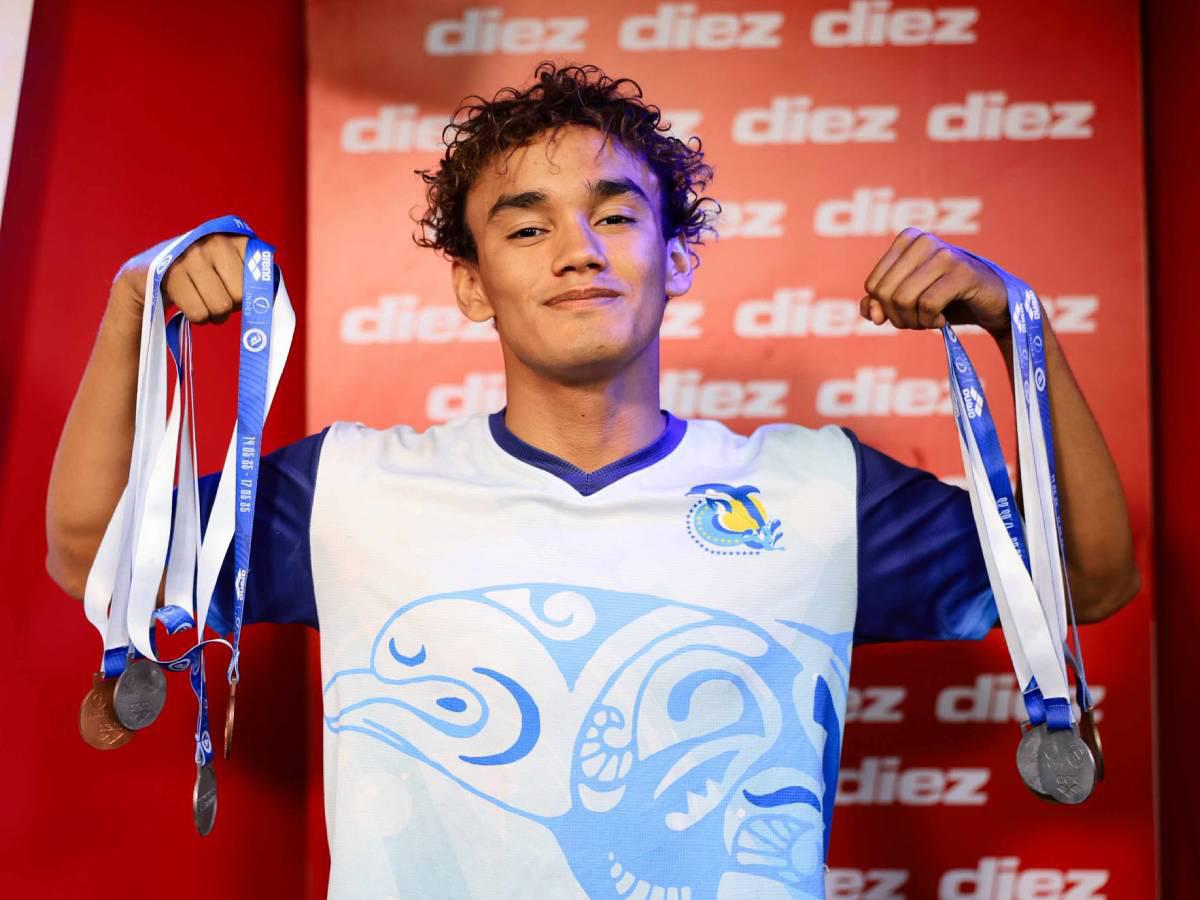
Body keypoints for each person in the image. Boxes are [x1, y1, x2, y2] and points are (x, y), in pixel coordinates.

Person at [46, 63, 1138, 898]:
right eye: (527, 226)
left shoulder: (817, 491)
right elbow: (95, 558)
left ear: (677, 257)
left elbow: (1089, 579)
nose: (579, 249)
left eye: (615, 215)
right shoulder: (353, 488)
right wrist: (132, 310)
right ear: (472, 285)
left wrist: (1018, 328)